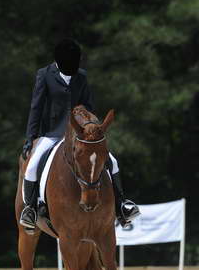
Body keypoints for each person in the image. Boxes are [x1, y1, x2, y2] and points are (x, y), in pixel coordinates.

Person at [20, 38, 139, 230]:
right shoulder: (44, 75)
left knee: (112, 161)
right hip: (52, 134)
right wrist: (30, 137)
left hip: (79, 134)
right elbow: (36, 107)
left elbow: (88, 107)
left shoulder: (81, 76)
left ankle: (122, 206)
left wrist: (90, 128)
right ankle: (31, 209)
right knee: (33, 165)